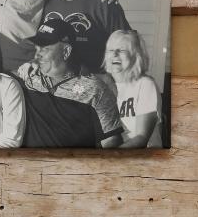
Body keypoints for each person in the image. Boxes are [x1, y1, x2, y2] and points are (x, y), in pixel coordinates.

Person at [15, 18, 123, 148]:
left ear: (66, 51)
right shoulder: (29, 78)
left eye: (45, 49)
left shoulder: (95, 90)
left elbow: (111, 143)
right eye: (37, 49)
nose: (37, 55)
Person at [103, 30, 162, 148]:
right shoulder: (103, 85)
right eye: (111, 50)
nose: (114, 54)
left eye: (122, 50)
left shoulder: (145, 85)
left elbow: (141, 138)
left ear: (136, 56)